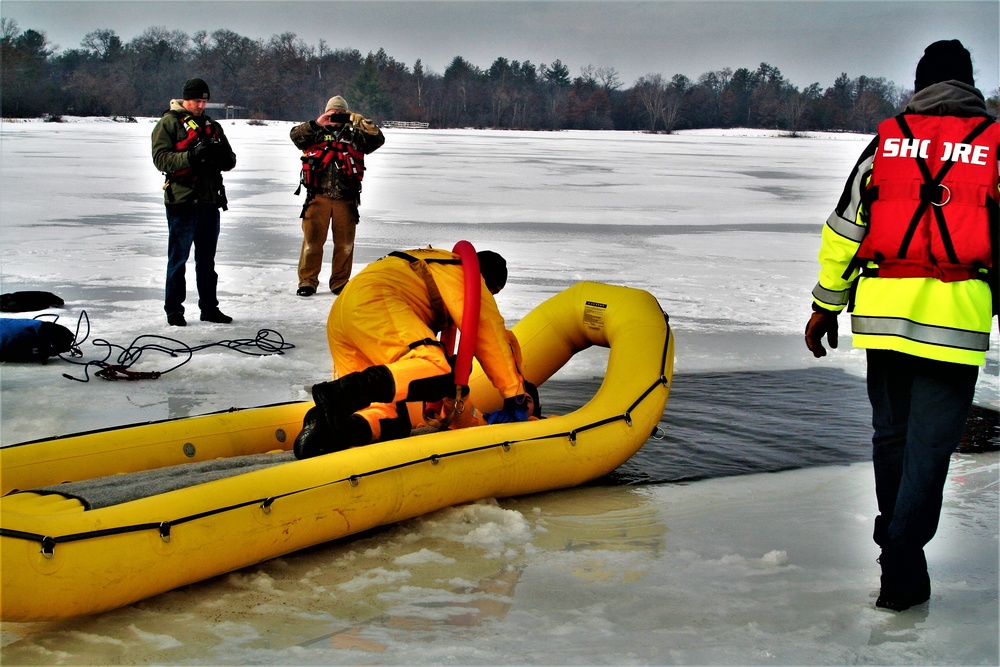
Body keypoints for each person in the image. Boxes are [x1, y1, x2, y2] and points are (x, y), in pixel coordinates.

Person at [804, 40, 998, 612]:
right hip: (955, 324)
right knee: (929, 449)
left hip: (883, 320)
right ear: (969, 84)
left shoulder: (885, 143)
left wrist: (825, 305)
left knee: (890, 438)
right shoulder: (993, 146)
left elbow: (844, 230)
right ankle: (902, 556)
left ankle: (896, 555)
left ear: (920, 84)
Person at [294, 246, 531, 458]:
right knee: (438, 370)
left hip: (345, 314)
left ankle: (327, 430)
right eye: (493, 292)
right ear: (488, 281)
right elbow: (489, 333)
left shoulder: (432, 265)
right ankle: (337, 396)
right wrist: (515, 395)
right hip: (377, 301)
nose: (490, 297)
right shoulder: (463, 274)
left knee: (391, 421)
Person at [151, 78, 237, 327]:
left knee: (207, 260)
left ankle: (209, 308)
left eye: (204, 101)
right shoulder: (168, 123)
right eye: (197, 100)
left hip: (209, 200)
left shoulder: (212, 125)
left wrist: (218, 155)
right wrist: (192, 156)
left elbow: (230, 160)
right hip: (182, 201)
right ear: (185, 99)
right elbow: (161, 160)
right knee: (178, 259)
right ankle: (174, 310)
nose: (201, 105)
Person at [290, 96, 385, 297]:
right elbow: (295, 137)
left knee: (345, 245)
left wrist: (363, 124)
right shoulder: (314, 133)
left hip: (346, 198)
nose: (336, 118)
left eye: (341, 114)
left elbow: (377, 141)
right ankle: (307, 281)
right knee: (312, 243)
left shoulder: (355, 136)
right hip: (317, 197)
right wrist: (318, 123)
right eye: (333, 114)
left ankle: (340, 282)